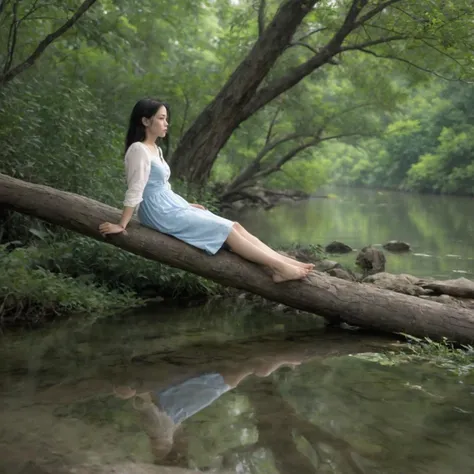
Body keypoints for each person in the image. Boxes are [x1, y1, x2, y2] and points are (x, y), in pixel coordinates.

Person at [99, 98, 313, 283]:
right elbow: (136, 188)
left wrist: (185, 205)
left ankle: (284, 261)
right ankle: (279, 269)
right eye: (161, 118)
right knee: (226, 231)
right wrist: (122, 224)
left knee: (235, 225)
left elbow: (164, 187)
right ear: (146, 121)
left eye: (166, 118)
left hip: (169, 205)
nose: (166, 123)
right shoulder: (139, 149)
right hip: (156, 211)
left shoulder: (155, 149)